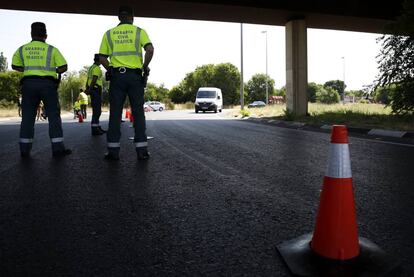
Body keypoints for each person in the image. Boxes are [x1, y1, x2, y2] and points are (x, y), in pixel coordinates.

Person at [99, 6, 154, 160]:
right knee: (138, 113)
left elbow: (102, 58)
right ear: (132, 17)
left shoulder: (109, 34)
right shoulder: (139, 31)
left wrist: (110, 69)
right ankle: (142, 150)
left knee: (115, 113)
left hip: (117, 77)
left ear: (118, 17)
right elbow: (150, 50)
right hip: (135, 77)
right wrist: (144, 66)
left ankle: (113, 151)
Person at [11, 22, 71, 157]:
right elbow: (63, 67)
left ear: (31, 34)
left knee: (27, 117)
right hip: (48, 86)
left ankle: (24, 150)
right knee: (53, 116)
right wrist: (53, 70)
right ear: (46, 35)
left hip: (28, 85)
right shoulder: (52, 49)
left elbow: (15, 65)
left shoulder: (22, 49)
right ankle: (57, 149)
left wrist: (27, 69)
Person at [85, 54, 106, 135]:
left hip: (92, 89)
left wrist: (87, 89)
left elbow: (88, 80)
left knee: (96, 109)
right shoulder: (96, 68)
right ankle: (95, 129)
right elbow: (94, 79)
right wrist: (90, 89)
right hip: (96, 89)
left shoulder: (91, 67)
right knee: (97, 110)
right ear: (99, 60)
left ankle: (97, 126)